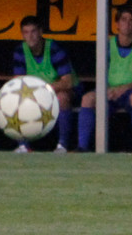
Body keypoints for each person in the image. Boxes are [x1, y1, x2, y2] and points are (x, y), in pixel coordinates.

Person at [77, 5, 132, 152]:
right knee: (87, 99)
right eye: (123, 19)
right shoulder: (107, 45)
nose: (127, 23)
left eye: (131, 20)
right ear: (116, 24)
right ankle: (82, 147)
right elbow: (100, 72)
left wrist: (124, 88)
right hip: (110, 91)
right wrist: (106, 90)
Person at [11, 15, 80, 153]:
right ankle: (23, 145)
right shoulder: (20, 51)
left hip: (61, 91)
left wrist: (41, 89)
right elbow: (19, 82)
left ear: (40, 32)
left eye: (33, 31)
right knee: (17, 98)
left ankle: (62, 145)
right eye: (26, 32)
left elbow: (67, 82)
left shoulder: (54, 49)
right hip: (36, 93)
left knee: (62, 97)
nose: (30, 36)